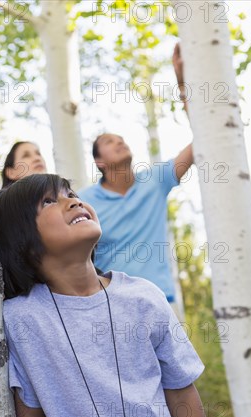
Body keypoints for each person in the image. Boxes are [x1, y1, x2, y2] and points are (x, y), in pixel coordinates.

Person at [0, 173, 222, 417]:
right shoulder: (20, 320)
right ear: (23, 241)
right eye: (49, 201)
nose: (72, 201)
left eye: (71, 193)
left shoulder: (143, 297)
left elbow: (182, 395)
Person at [78, 44, 192, 307]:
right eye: (109, 141)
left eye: (121, 139)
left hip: (160, 300)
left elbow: (203, 139)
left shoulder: (156, 180)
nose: (120, 142)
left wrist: (182, 81)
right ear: (99, 161)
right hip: (109, 303)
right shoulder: (84, 201)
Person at [0, 141, 61, 417]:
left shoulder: (54, 213)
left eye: (41, 153)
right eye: (27, 155)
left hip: (52, 332)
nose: (37, 157)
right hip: (17, 334)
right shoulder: (1, 217)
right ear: (9, 172)